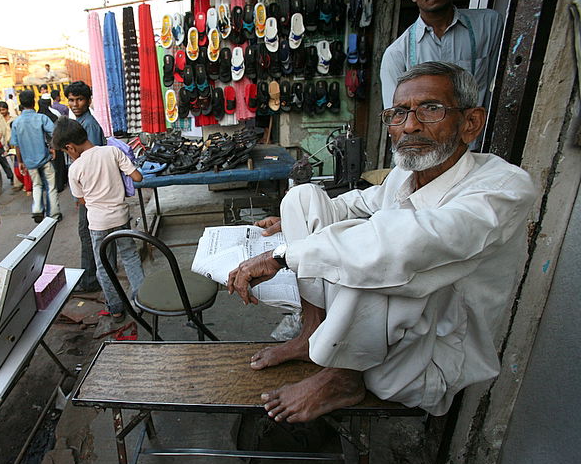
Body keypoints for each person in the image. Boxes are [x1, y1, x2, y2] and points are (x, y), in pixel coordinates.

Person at [227, 62, 536, 422]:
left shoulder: (503, 189)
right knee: (303, 198)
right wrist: (290, 223)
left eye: (431, 109)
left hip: (424, 359)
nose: (410, 125)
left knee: (377, 261)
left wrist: (281, 256)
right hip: (380, 335)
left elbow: (399, 246)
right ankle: (310, 334)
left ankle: (343, 378)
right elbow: (357, 203)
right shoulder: (409, 173)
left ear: (470, 123)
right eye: (399, 113)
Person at [380, 0, 503, 109]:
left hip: (476, 131)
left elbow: (500, 87)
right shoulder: (397, 54)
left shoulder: (488, 25)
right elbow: (397, 117)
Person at [52, 117, 144, 322]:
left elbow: (82, 199)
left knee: (104, 265)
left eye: (66, 152)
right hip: (121, 217)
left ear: (71, 147)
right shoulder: (112, 151)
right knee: (129, 256)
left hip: (97, 224)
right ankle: (142, 300)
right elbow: (137, 177)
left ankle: (116, 308)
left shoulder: (75, 169)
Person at [65, 81, 107, 292]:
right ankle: (97, 277)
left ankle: (91, 280)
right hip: (91, 190)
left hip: (91, 191)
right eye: (71, 100)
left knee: (88, 233)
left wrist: (81, 195)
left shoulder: (87, 125)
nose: (75, 104)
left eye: (79, 99)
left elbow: (89, 162)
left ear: (89, 100)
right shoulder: (80, 122)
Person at [10, 90, 61, 223]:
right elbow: (54, 133)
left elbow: (16, 145)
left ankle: (37, 209)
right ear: (34, 102)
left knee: (37, 185)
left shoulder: (16, 123)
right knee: (51, 186)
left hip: (29, 161)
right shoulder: (41, 118)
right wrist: (53, 148)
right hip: (44, 158)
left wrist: (20, 162)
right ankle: (54, 214)